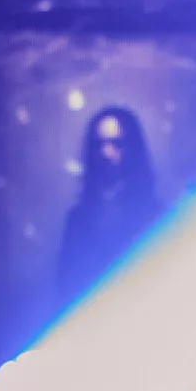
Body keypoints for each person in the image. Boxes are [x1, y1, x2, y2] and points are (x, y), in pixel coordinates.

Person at [56, 105, 162, 308]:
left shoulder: (155, 216)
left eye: (116, 144)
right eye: (99, 144)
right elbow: (64, 289)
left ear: (132, 149)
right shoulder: (77, 220)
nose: (106, 153)